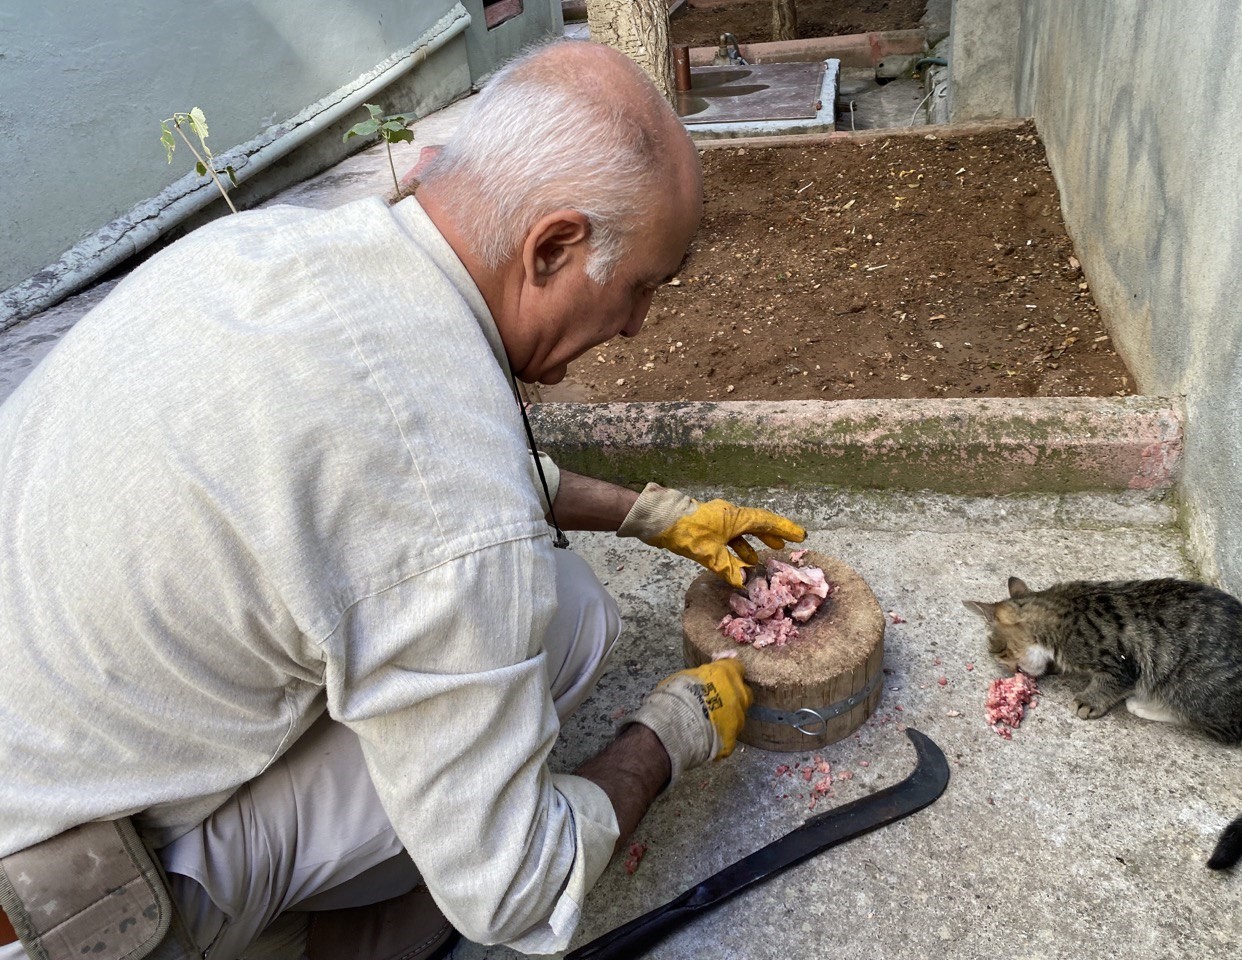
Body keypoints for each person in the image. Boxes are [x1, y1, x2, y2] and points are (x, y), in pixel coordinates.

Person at [0, 39, 805, 960]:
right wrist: (664, 740)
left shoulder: (271, 247)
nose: (635, 325)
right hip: (58, 902)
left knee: (561, 607)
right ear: (552, 247)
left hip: (38, 748)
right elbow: (516, 891)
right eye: (638, 288)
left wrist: (650, 513)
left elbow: (371, 495)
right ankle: (317, 941)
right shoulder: (444, 489)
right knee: (562, 634)